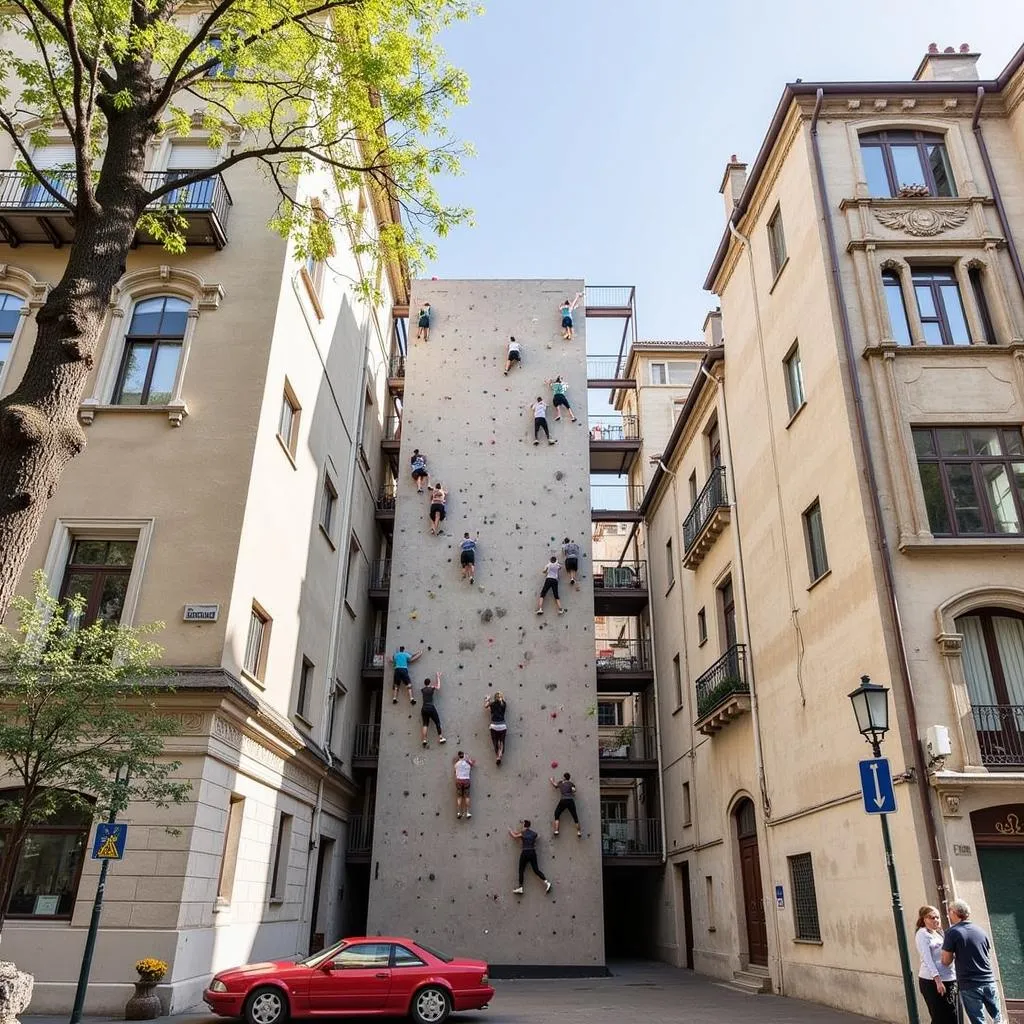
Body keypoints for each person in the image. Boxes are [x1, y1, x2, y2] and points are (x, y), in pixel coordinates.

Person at [941, 899, 1003, 1024]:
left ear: (954, 913)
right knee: (998, 1018)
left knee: (978, 1020)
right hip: (989, 980)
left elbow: (946, 961)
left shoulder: (952, 932)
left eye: (949, 912)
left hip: (969, 983)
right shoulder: (981, 931)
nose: (948, 915)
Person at [916, 905, 958, 1024]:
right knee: (940, 1017)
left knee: (952, 1016)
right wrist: (937, 980)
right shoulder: (922, 934)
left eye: (937, 917)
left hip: (949, 978)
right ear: (924, 919)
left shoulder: (939, 933)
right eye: (931, 917)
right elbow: (927, 958)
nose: (936, 920)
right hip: (932, 981)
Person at [509, 819, 551, 895]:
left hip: (525, 852)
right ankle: (547, 882)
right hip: (532, 852)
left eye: (523, 824)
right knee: (536, 870)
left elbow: (515, 836)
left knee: (521, 870)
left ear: (524, 825)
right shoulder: (533, 833)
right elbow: (538, 836)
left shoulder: (523, 833)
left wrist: (510, 831)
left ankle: (520, 888)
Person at [550, 772, 582, 837]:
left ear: (564, 777)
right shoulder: (571, 784)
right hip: (570, 801)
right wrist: (571, 791)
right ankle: (578, 832)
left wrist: (552, 780)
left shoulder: (561, 783)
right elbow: (574, 790)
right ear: (569, 778)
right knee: (575, 816)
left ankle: (556, 830)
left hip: (563, 800)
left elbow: (555, 785)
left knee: (557, 813)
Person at [419, 672, 447, 748]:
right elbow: (438, 687)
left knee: (425, 724)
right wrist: (438, 677)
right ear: (429, 682)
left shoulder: (422, 690)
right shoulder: (431, 688)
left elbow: (425, 688)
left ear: (424, 683)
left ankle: (424, 740)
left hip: (424, 708)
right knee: (437, 722)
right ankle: (440, 737)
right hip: (431, 707)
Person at [484, 691, 507, 765]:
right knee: (502, 741)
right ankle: (500, 755)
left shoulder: (493, 704)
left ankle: (497, 756)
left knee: (495, 741)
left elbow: (486, 706)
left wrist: (488, 700)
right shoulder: (504, 704)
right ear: (501, 697)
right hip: (502, 726)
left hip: (494, 726)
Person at [453, 751, 475, 819]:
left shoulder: (456, 764)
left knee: (459, 797)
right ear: (464, 756)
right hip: (466, 781)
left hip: (459, 781)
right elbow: (473, 764)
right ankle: (468, 812)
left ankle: (459, 812)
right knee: (467, 797)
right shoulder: (468, 764)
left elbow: (455, 771)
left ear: (459, 756)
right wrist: (468, 759)